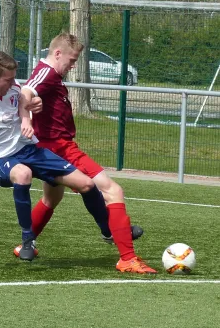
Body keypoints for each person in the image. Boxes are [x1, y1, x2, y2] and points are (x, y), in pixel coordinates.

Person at [0, 50, 119, 262]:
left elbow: (24, 102)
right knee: (23, 174)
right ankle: (27, 240)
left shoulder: (14, 89)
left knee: (86, 183)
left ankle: (107, 231)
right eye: (9, 79)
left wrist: (27, 117)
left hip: (29, 150)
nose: (15, 83)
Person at [18, 32, 157, 274]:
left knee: (52, 199)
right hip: (60, 148)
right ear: (57, 53)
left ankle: (25, 245)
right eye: (71, 60)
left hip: (51, 147)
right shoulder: (47, 72)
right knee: (113, 191)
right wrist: (26, 117)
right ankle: (127, 257)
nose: (73, 66)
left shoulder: (53, 76)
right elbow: (27, 90)